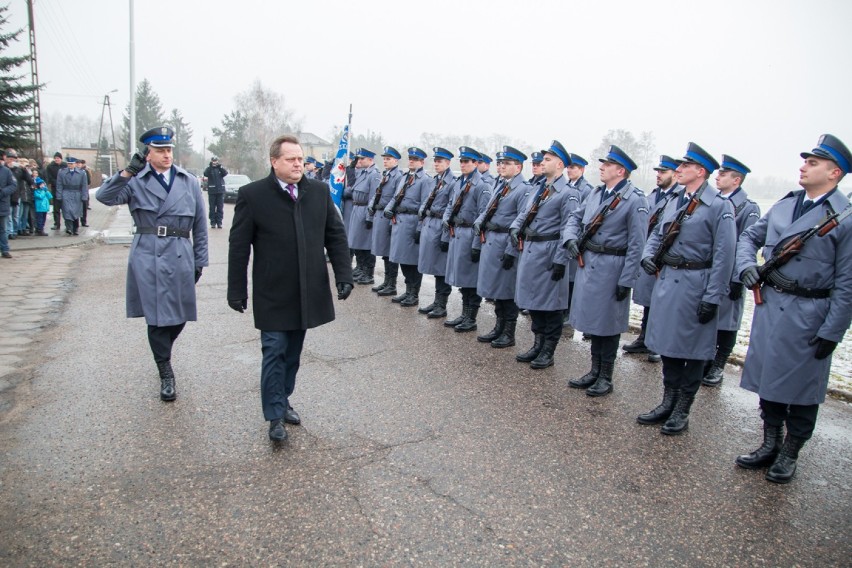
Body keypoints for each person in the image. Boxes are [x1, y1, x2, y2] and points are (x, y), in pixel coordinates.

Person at [735, 134, 852, 484]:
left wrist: (832, 331)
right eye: (805, 161)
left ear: (834, 173)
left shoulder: (844, 218)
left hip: (810, 312)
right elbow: (749, 238)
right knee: (769, 379)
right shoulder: (785, 204)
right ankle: (770, 441)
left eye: (813, 163)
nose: (803, 167)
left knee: (803, 389)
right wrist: (746, 266)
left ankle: (790, 452)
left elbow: (847, 283)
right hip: (771, 306)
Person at [228, 134, 353, 442]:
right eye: (291, 159)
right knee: (274, 350)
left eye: (300, 159)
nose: (298, 164)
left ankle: (282, 399)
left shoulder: (319, 192)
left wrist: (343, 275)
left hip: (307, 291)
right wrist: (236, 289)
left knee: (293, 353)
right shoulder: (253, 195)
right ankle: (273, 416)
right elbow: (239, 246)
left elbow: (335, 236)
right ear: (274, 162)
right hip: (273, 291)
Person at [97, 126, 209, 402]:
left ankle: (162, 354)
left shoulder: (188, 181)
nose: (166, 154)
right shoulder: (135, 181)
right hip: (148, 254)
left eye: (169, 149)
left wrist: (200, 260)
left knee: (180, 315)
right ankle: (166, 372)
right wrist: (126, 172)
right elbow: (104, 197)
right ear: (147, 154)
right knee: (158, 317)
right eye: (160, 150)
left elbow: (200, 224)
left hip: (181, 252)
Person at [638, 142, 736, 434]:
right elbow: (658, 232)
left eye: (684, 166)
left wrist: (713, 296)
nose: (678, 170)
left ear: (700, 171)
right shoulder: (676, 200)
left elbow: (724, 255)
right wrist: (647, 255)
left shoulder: (720, 207)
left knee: (692, 351)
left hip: (696, 284)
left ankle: (682, 409)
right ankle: (667, 401)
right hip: (668, 281)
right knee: (668, 346)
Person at [564, 145, 649, 394]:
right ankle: (594, 370)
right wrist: (570, 238)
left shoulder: (635, 200)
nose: (601, 168)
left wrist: (628, 279)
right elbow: (575, 218)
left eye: (607, 165)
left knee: (609, 324)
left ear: (620, 170)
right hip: (590, 263)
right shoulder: (597, 194)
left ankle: (606, 377)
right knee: (594, 321)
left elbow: (637, 243)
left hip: (613, 267)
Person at [509, 140, 579, 368]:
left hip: (550, 252)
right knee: (533, 301)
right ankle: (538, 343)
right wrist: (515, 228)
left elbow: (569, 227)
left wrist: (561, 259)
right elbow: (525, 213)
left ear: (560, 164)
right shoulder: (540, 188)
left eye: (547, 160)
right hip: (531, 251)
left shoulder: (568, 193)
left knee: (551, 305)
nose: (542, 163)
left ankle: (548, 350)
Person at [702, 155, 760, 386]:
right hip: (712, 270)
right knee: (710, 318)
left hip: (732, 274)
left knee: (728, 322)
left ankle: (719, 364)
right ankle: (706, 359)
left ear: (736, 180)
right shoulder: (713, 202)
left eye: (724, 174)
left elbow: (747, 244)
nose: (718, 176)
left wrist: (737, 278)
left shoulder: (748, 207)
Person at [623, 155, 682, 363]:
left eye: (663, 172)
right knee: (649, 300)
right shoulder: (654, 195)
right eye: (657, 171)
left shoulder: (679, 196)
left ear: (675, 174)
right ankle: (645, 337)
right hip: (650, 253)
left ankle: (658, 341)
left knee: (663, 302)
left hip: (666, 256)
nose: (658, 175)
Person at [473, 146, 529, 347]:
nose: (501, 166)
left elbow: (521, 224)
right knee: (497, 289)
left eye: (506, 163)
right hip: (492, 242)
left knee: (507, 290)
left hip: (506, 244)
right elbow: (488, 210)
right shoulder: (501, 184)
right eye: (500, 163)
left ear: (518, 167)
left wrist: (511, 251)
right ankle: (499, 326)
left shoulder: (523, 189)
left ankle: (509, 332)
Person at [442, 147, 492, 332]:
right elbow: (450, 205)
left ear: (476, 164)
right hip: (457, 234)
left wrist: (477, 245)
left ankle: (471, 318)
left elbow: (483, 216)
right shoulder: (459, 183)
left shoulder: (482, 186)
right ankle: (464, 314)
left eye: (467, 162)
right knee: (463, 279)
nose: (463, 165)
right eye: (461, 161)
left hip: (470, 235)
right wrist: (446, 221)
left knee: (471, 280)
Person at [383, 147, 432, 307]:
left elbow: (425, 206)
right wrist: (388, 210)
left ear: (422, 162)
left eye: (415, 159)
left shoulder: (425, 180)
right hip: (399, 222)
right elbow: (396, 197)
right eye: (410, 158)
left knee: (412, 261)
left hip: (412, 223)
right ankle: (407, 290)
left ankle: (414, 293)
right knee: (402, 259)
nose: (411, 161)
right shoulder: (405, 178)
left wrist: (419, 228)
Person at [416, 147, 456, 317]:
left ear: (448, 163)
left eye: (440, 161)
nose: (436, 164)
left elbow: (452, 209)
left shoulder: (453, 182)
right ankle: (436, 301)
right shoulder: (435, 181)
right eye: (435, 161)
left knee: (441, 268)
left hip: (440, 227)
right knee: (434, 266)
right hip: (430, 224)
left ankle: (442, 305)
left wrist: (445, 236)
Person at [368, 146, 404, 296]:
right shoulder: (386, 174)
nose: (385, 161)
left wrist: (390, 221)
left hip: (388, 217)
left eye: (388, 159)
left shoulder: (398, 176)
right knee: (384, 251)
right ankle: (387, 281)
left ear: (396, 160)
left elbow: (397, 199)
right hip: (380, 216)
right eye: (384, 159)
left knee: (390, 253)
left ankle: (392, 284)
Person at [348, 148, 381, 285]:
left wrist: (370, 216)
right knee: (357, 242)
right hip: (356, 209)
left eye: (362, 159)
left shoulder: (374, 175)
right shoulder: (363, 172)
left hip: (364, 209)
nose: (359, 161)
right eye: (359, 159)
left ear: (370, 160)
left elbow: (374, 196)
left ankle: (368, 273)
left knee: (366, 244)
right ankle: (360, 268)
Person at [56, 157, 87, 235]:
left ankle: (75, 228)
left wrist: (84, 196)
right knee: (67, 210)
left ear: (75, 164)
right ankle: (69, 228)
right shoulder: (62, 172)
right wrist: (59, 195)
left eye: (71, 164)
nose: (70, 165)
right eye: (68, 164)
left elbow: (84, 185)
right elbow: (59, 184)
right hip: (66, 192)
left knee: (76, 211)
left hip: (77, 193)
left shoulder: (82, 173)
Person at [203, 156, 229, 229]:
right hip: (212, 191)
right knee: (212, 208)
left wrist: (220, 167)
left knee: (220, 208)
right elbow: (205, 173)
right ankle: (213, 222)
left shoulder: (220, 169)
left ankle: (219, 222)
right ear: (211, 161)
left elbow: (225, 173)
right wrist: (211, 166)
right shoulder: (209, 169)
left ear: (217, 161)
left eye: (216, 161)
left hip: (220, 191)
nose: (214, 162)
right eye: (213, 161)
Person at [45, 152, 66, 231]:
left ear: (61, 159)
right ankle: (56, 224)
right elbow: (49, 177)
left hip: (64, 189)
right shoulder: (50, 167)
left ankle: (67, 223)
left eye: (58, 158)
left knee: (65, 208)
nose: (57, 159)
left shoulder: (65, 166)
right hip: (55, 189)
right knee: (56, 208)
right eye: (56, 158)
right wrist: (57, 183)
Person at [0, 158, 15, 258]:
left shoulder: (6, 171)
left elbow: (13, 185)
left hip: (2, 203)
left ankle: (5, 249)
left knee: (2, 229)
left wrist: (2, 192)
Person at [78, 159, 92, 227]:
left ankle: (83, 221)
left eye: (79, 164)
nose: (78, 165)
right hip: (76, 192)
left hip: (83, 191)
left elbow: (88, 181)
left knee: (84, 207)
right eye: (77, 164)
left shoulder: (85, 171)